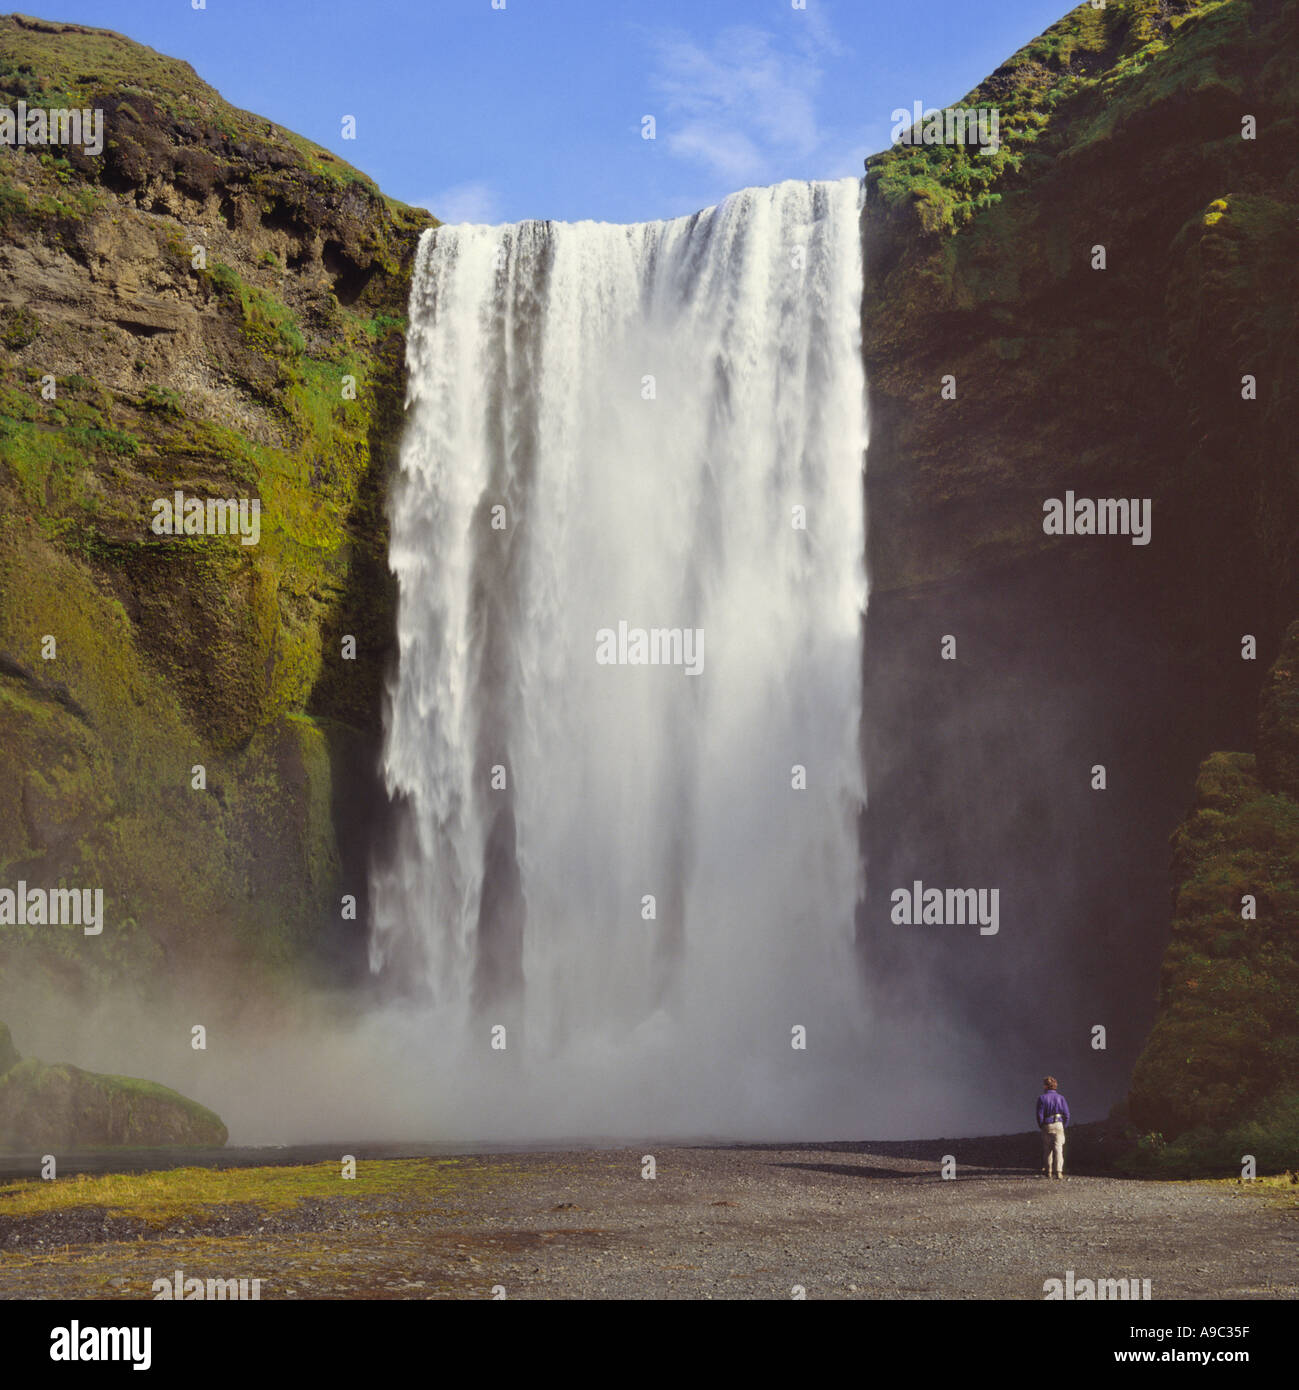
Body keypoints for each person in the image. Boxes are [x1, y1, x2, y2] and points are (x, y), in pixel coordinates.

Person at [1036, 1075, 1070, 1178]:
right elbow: (1067, 1114)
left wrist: (1041, 1125)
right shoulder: (1061, 1098)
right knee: (1058, 1149)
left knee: (1047, 1149)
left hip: (1047, 1124)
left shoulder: (1042, 1098)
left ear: (1046, 1086)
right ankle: (1059, 1172)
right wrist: (1064, 1125)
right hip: (1058, 1124)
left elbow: (1039, 1114)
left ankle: (1048, 1171)